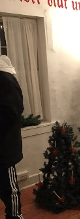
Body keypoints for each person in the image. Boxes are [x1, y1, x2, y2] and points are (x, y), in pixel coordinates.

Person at [0, 55, 24, 219]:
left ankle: (15, 217)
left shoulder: (5, 79)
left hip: (4, 149)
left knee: (9, 190)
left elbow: (11, 112)